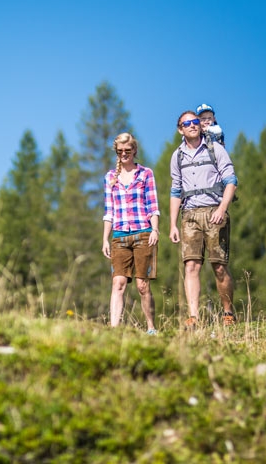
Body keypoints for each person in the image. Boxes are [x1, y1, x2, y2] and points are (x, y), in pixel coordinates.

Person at [168, 111, 238, 328]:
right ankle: (193, 317)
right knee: (191, 265)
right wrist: (172, 225)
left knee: (219, 266)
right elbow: (175, 190)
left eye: (195, 122)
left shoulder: (215, 148)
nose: (192, 125)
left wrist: (222, 208)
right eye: (187, 123)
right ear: (181, 129)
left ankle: (227, 313)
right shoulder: (177, 156)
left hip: (214, 211)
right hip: (189, 215)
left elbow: (231, 181)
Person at [102, 132, 160, 335]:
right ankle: (114, 329)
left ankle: (151, 328)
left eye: (127, 150)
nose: (124, 154)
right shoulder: (110, 178)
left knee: (142, 285)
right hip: (119, 235)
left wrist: (155, 229)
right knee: (118, 282)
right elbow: (109, 211)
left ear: (134, 150)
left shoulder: (145, 174)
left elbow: (152, 205)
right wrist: (105, 239)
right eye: (120, 151)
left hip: (143, 233)